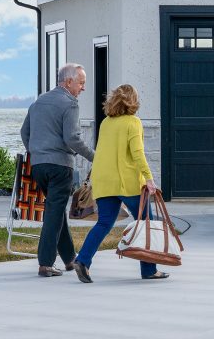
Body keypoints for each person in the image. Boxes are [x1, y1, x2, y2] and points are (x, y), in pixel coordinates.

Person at [72, 84, 168, 283]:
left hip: (104, 181)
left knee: (104, 223)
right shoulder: (133, 122)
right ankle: (149, 269)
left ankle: (82, 260)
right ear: (133, 101)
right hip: (127, 182)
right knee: (145, 223)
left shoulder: (106, 122)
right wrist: (149, 179)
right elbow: (137, 153)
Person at [21, 63, 95, 277]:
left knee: (56, 209)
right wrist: (95, 157)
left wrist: (37, 152)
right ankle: (45, 263)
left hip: (38, 166)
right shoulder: (70, 104)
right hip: (60, 166)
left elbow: (24, 132)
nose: (83, 88)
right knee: (54, 212)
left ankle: (70, 259)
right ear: (69, 82)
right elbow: (72, 139)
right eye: (81, 83)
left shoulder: (38, 102)